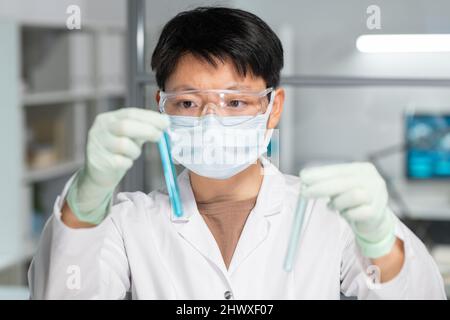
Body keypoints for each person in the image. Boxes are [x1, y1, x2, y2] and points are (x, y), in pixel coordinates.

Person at [28, 6, 445, 299]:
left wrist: (378, 237)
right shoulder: (128, 222)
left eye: (236, 102)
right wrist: (88, 194)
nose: (212, 120)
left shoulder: (324, 215)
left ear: (272, 107)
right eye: (188, 103)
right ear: (161, 104)